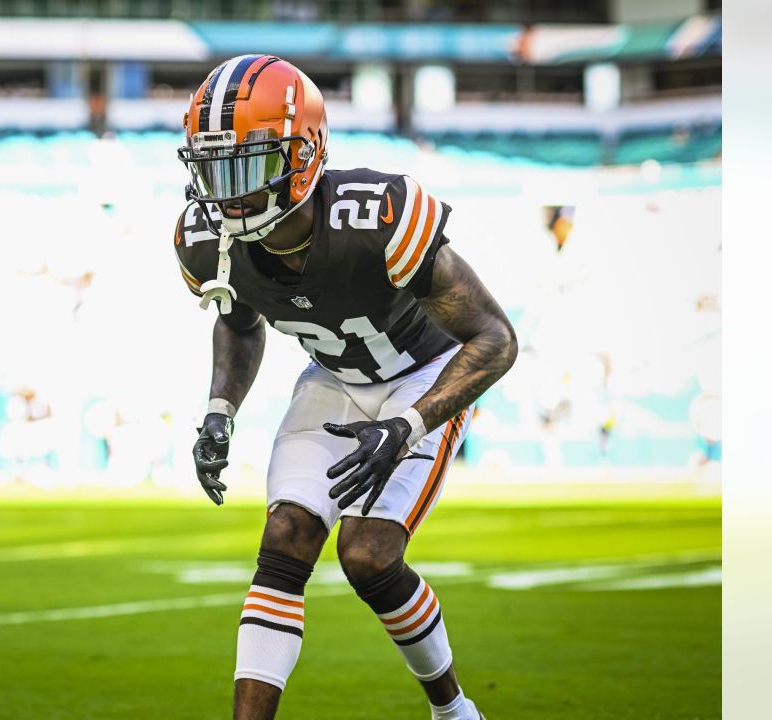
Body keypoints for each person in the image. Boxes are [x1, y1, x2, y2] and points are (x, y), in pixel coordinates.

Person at [172, 55, 517, 720]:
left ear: (303, 156)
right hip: (333, 378)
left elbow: (493, 338)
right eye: (214, 169)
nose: (226, 192)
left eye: (246, 166)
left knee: (367, 555)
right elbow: (240, 321)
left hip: (422, 376)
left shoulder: (379, 215)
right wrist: (220, 409)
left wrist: (410, 423)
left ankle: (453, 710)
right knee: (286, 538)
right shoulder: (204, 237)